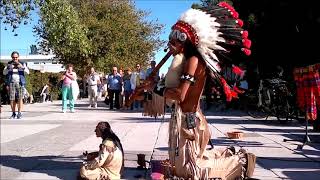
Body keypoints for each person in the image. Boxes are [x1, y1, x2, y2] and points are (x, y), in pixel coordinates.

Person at [136, 2, 256, 179]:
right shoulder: (185, 60)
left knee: (188, 172)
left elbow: (179, 94)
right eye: (171, 38)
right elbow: (172, 91)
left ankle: (240, 162)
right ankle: (224, 155)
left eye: (176, 39)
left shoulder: (193, 61)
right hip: (183, 117)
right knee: (179, 167)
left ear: (188, 40)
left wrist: (155, 87)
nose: (171, 43)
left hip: (189, 122)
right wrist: (150, 89)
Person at [3, 51, 29, 119]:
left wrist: (22, 67)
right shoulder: (9, 64)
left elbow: (27, 72)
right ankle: (13, 113)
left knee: (20, 98)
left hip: (20, 83)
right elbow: (4, 73)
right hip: (11, 83)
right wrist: (9, 68)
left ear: (18, 57)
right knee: (12, 99)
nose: (15, 59)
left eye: (16, 57)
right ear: (11, 57)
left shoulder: (22, 63)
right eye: (13, 57)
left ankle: (19, 113)